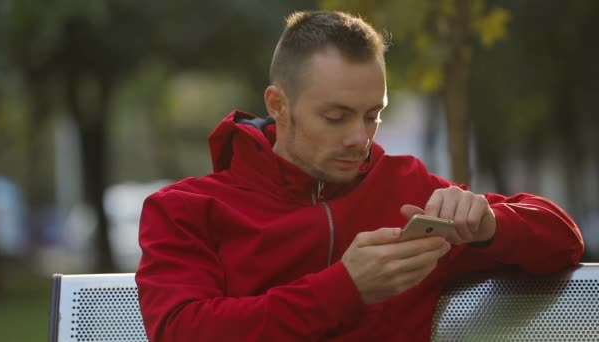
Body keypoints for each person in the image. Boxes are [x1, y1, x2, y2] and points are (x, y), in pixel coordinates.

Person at [135, 10, 584, 341]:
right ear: (278, 104)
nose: (359, 137)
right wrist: (345, 290)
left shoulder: (406, 188)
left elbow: (563, 241)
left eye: (373, 115)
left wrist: (489, 225)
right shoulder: (184, 210)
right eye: (336, 116)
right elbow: (179, 331)